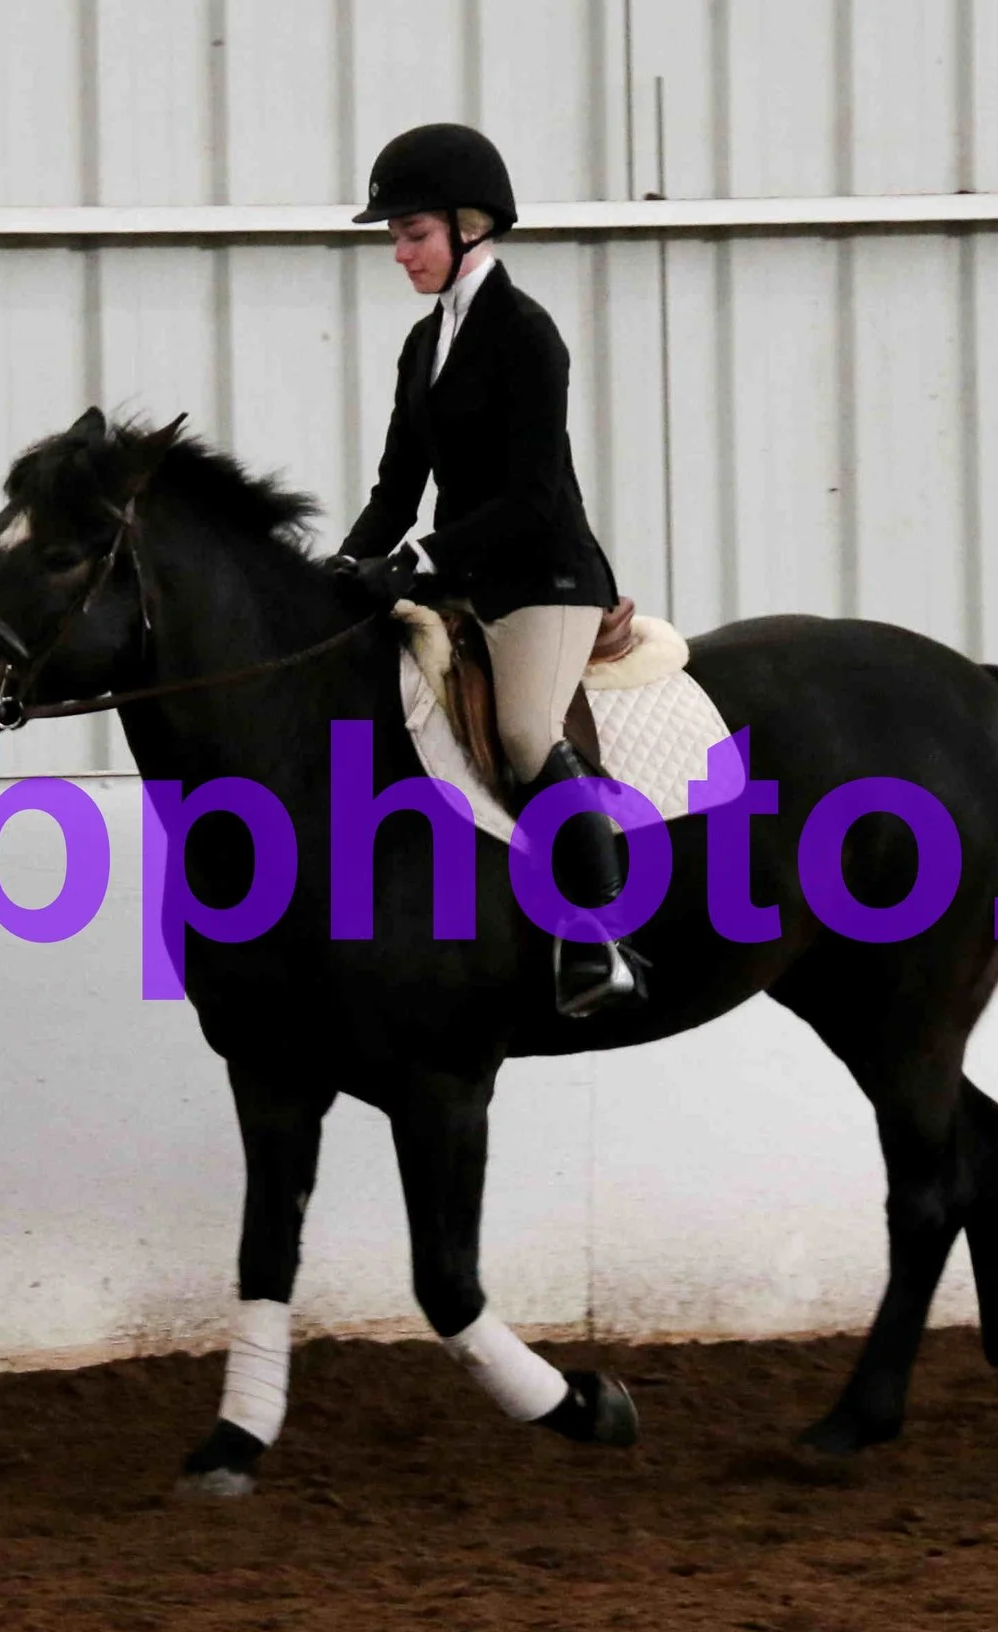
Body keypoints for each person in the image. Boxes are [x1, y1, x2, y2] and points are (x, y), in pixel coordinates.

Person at [331, 122, 649, 1019]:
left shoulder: (526, 335)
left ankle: (598, 938)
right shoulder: (421, 344)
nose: (400, 253)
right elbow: (397, 489)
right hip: (464, 575)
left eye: (414, 234)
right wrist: (347, 565)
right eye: (396, 238)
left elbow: (532, 497)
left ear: (470, 227)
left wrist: (420, 558)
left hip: (545, 577)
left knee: (521, 730)